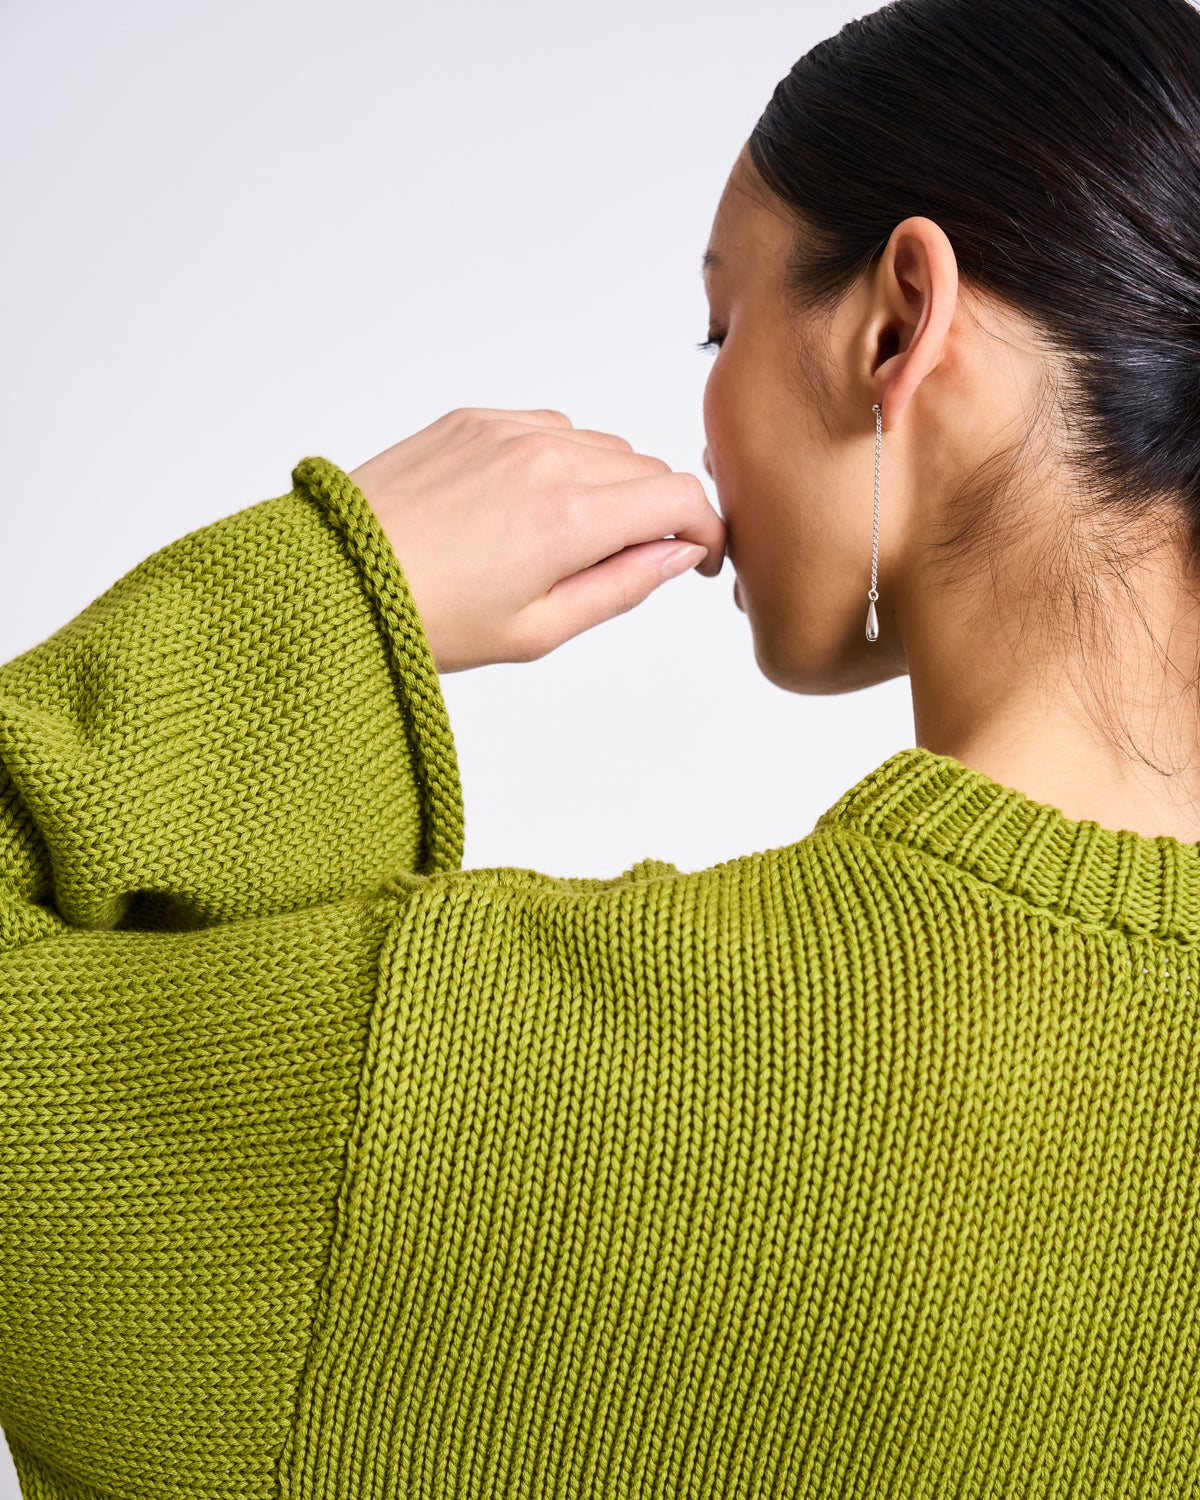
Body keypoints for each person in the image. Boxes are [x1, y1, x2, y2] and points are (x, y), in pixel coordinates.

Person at [3, 0, 1200, 1494]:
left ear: (899, 326)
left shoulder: (492, 1084)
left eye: (721, 326)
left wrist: (337, 589)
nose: (702, 406)